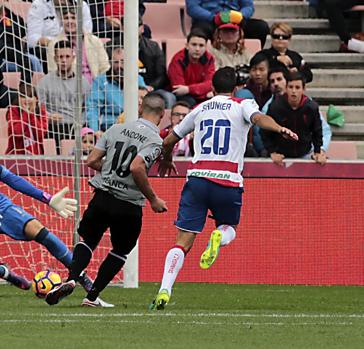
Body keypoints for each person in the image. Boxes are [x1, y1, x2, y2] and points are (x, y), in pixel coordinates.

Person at [149, 67, 298, 311]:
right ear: (236, 88)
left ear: (212, 89)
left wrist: (166, 158)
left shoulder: (200, 108)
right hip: (227, 179)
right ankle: (219, 235)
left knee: (182, 242)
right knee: (230, 227)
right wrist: (279, 128)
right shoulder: (243, 104)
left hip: (197, 179)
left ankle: (165, 288)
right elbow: (259, 119)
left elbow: (170, 139)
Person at [0, 114, 103, 301]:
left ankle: (82, 277)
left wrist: (47, 198)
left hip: (3, 209)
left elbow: (11, 179)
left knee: (41, 232)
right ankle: (8, 275)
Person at [45, 91, 169, 308]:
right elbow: (137, 167)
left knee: (88, 241)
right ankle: (92, 296)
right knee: (120, 250)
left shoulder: (116, 128)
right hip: (128, 205)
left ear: (141, 109)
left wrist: (110, 169)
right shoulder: (155, 140)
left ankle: (72, 279)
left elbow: (92, 160)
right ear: (163, 113)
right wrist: (153, 199)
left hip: (102, 197)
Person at [256, 67, 331, 157]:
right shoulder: (275, 106)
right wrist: (272, 152)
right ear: (286, 88)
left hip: (305, 153)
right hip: (281, 155)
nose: (294, 91)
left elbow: (318, 131)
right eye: (291, 87)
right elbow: (265, 131)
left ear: (303, 89)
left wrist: (318, 151)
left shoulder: (311, 107)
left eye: (297, 87)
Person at [37, 40, 91, 151]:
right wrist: (48, 116)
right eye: (60, 57)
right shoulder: (44, 82)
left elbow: (88, 108)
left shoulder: (83, 82)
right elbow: (38, 109)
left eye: (67, 56)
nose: (64, 60)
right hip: (53, 127)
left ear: (73, 57)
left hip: (76, 126)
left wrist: (80, 121)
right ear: (55, 58)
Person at [86, 45, 148, 132]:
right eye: (115, 62)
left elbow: (146, 105)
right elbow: (93, 108)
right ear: (110, 62)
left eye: (122, 61)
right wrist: (94, 131)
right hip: (109, 127)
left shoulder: (138, 79)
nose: (119, 66)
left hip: (134, 127)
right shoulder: (100, 81)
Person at [47, 8, 109, 88]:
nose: (70, 21)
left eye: (73, 18)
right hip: (68, 91)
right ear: (61, 21)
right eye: (66, 18)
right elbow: (53, 73)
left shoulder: (94, 41)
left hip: (96, 90)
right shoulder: (54, 44)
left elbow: (104, 68)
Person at [27, 0, 92, 72]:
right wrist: (55, 43)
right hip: (48, 49)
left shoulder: (81, 5)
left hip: (77, 45)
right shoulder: (39, 5)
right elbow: (32, 39)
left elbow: (88, 34)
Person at [186, 0, 270, 47]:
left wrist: (240, 15)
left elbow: (249, 6)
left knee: (261, 27)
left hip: (235, 18)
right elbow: (192, 8)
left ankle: (254, 62)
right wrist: (213, 17)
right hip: (210, 20)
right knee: (198, 32)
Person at [167, 29, 216, 106]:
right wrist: (203, 91)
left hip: (197, 94)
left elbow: (210, 83)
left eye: (201, 45)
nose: (197, 49)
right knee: (191, 102)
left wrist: (188, 89)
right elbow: (178, 89)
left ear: (206, 47)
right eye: (194, 44)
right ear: (187, 45)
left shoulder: (209, 59)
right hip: (184, 97)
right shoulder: (178, 60)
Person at [138, 20, 175, 108]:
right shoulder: (113, 46)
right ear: (122, 27)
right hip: (120, 89)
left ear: (142, 28)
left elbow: (162, 75)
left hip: (150, 88)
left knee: (169, 97)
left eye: (136, 26)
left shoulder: (154, 47)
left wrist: (151, 87)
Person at [6, 82, 48, 155]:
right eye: (23, 97)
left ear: (36, 99)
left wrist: (31, 114)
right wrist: (26, 113)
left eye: (29, 96)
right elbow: (17, 133)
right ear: (18, 98)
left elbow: (40, 135)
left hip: (36, 157)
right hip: (16, 156)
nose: (26, 99)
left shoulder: (41, 111)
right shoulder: (13, 110)